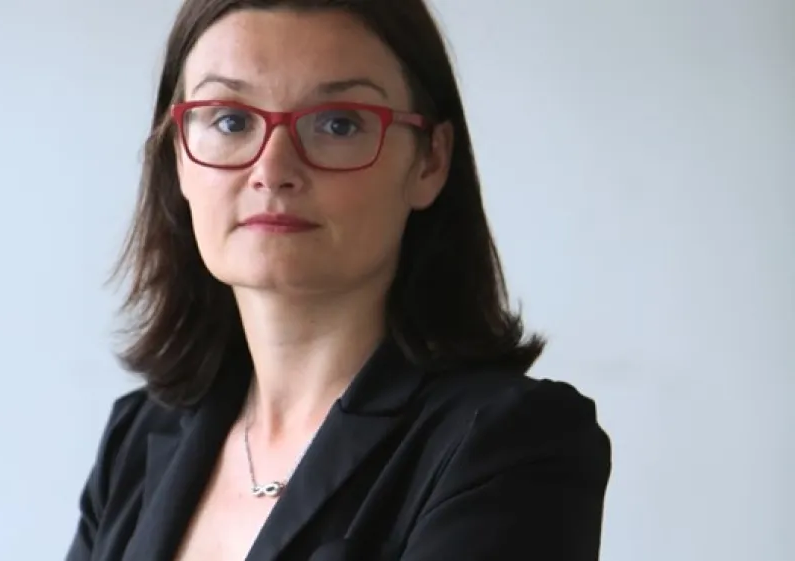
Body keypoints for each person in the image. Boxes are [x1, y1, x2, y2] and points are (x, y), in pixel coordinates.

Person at [65, 0, 612, 559]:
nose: (272, 170)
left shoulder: (512, 444)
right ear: (179, 155)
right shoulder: (135, 437)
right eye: (230, 120)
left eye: (338, 124)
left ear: (430, 161)